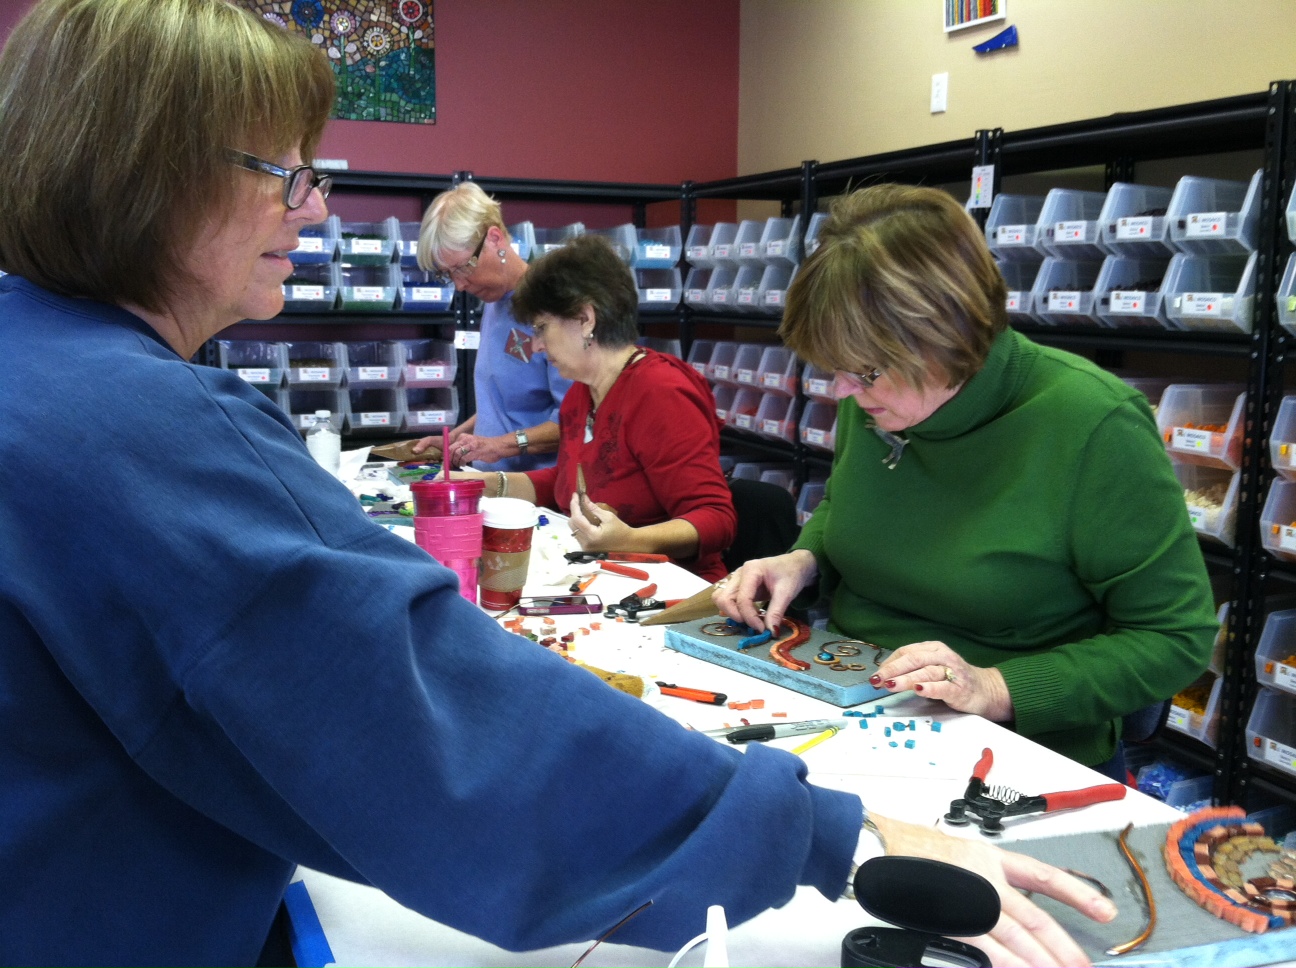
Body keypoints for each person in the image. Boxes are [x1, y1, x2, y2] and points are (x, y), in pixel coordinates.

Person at [0, 4, 1117, 966]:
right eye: (289, 171)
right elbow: (433, 726)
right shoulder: (137, 423)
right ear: (151, 176)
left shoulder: (40, 362)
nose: (319, 207)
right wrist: (838, 836)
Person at [714, 184, 1217, 778]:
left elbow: (1175, 636)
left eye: (864, 373)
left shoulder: (1092, 424)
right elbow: (855, 505)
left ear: (945, 339)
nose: (841, 392)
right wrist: (807, 557)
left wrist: (994, 687)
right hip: (855, 701)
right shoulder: (882, 397)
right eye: (834, 370)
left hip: (1012, 752)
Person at [456, 235, 737, 582]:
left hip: (672, 589)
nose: (538, 346)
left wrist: (632, 540)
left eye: (542, 328)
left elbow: (717, 518)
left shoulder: (662, 393)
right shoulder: (581, 392)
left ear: (586, 318)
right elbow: (567, 482)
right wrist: (485, 484)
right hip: (607, 579)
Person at [411, 181, 571, 472]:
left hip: (539, 492)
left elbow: (576, 418)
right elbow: (504, 406)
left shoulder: (555, 306)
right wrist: (458, 438)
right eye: (448, 275)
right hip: (494, 484)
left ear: (495, 238)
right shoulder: (493, 301)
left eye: (462, 267)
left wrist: (501, 446)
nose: (459, 285)